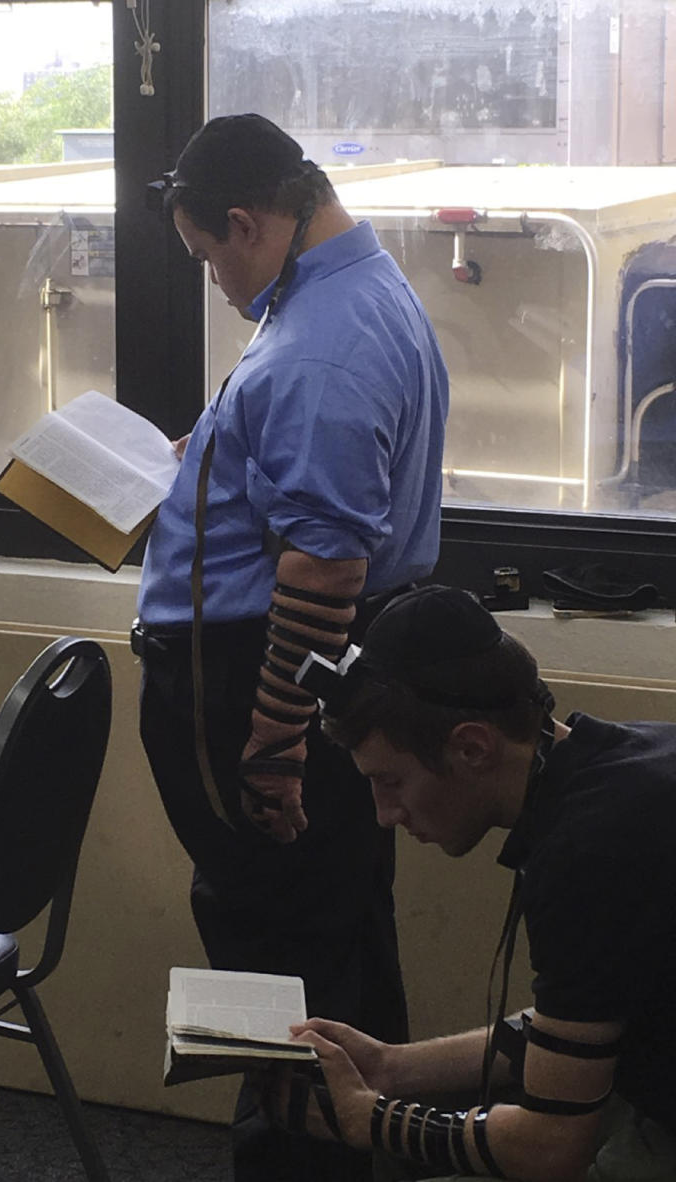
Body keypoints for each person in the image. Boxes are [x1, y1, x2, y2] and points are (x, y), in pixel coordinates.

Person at [133, 113, 449, 1179]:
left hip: (253, 683)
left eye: (211, 258)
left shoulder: (321, 345)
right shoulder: (351, 294)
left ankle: (300, 1153)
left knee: (276, 944)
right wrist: (205, 457)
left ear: (246, 222)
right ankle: (349, 1144)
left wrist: (272, 748)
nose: (217, 283)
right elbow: (304, 496)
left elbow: (322, 574)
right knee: (333, 922)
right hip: (277, 670)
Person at [281, 584, 676, 1182]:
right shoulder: (624, 764)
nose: (385, 814)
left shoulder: (589, 851)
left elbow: (549, 1146)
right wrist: (390, 1069)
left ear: (471, 747)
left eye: (390, 782)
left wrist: (372, 1118)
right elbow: (579, 1026)